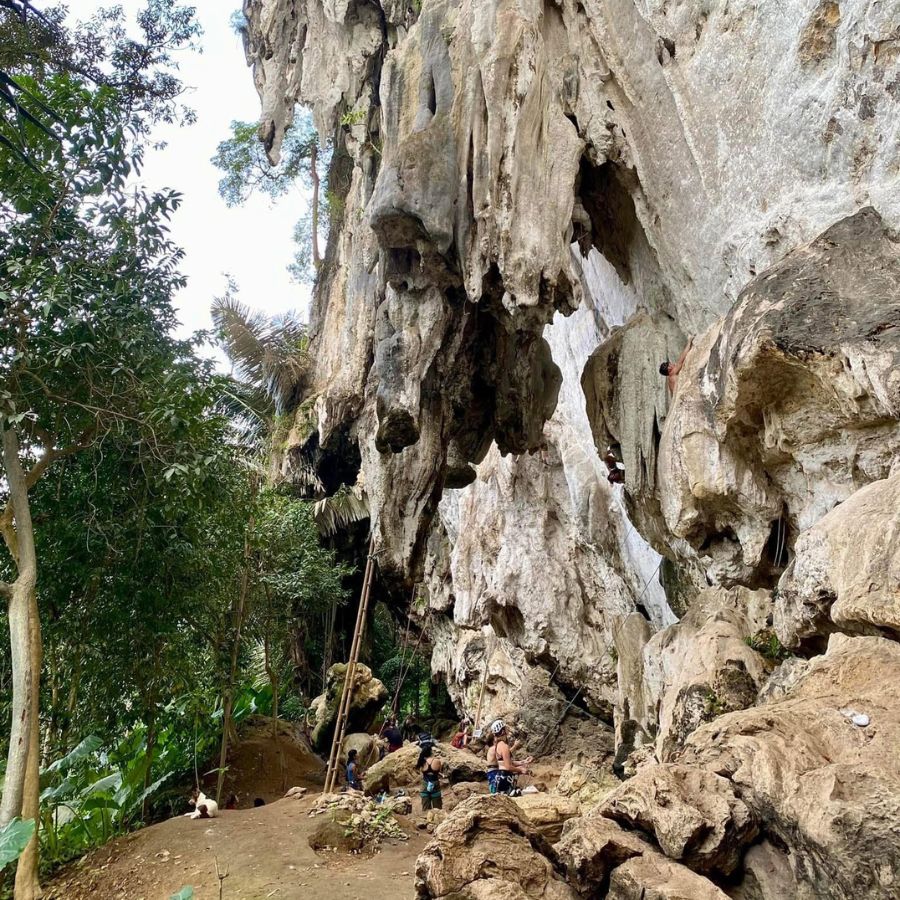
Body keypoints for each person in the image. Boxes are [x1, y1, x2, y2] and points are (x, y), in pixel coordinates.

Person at [491, 719, 531, 796]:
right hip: (505, 780)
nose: (507, 730)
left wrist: (523, 762)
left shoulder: (498, 745)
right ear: (502, 731)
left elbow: (507, 762)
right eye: (505, 728)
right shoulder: (504, 746)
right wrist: (521, 769)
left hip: (500, 779)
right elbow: (508, 766)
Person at [417, 738, 443, 811]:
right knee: (437, 809)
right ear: (431, 752)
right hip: (435, 784)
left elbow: (421, 771)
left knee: (425, 809)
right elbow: (439, 770)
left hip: (425, 784)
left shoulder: (422, 762)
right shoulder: (437, 761)